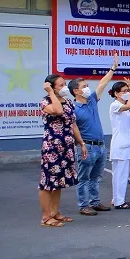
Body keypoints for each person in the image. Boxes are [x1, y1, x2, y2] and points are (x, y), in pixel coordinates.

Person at [69, 55, 118, 215]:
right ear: (76, 91)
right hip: (87, 147)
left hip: (100, 145)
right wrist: (80, 144)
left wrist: (112, 69)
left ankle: (95, 202)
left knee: (96, 177)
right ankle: (84, 205)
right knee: (84, 178)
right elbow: (72, 129)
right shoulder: (73, 109)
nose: (87, 88)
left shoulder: (91, 100)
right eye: (84, 86)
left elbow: (102, 84)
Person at [38, 75, 85, 227]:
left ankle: (54, 212)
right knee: (48, 182)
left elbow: (73, 124)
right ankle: (46, 217)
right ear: (51, 87)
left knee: (59, 181)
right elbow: (57, 111)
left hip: (67, 146)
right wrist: (51, 93)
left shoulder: (69, 102)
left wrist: (81, 143)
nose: (64, 87)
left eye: (65, 84)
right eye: (61, 85)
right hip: (52, 147)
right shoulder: (46, 101)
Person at [108, 79, 130, 209]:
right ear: (116, 93)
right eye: (124, 91)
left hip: (126, 143)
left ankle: (118, 198)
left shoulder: (125, 109)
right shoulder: (115, 105)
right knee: (120, 174)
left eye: (128, 91)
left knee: (122, 174)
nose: (127, 93)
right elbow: (129, 105)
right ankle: (119, 201)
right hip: (120, 144)